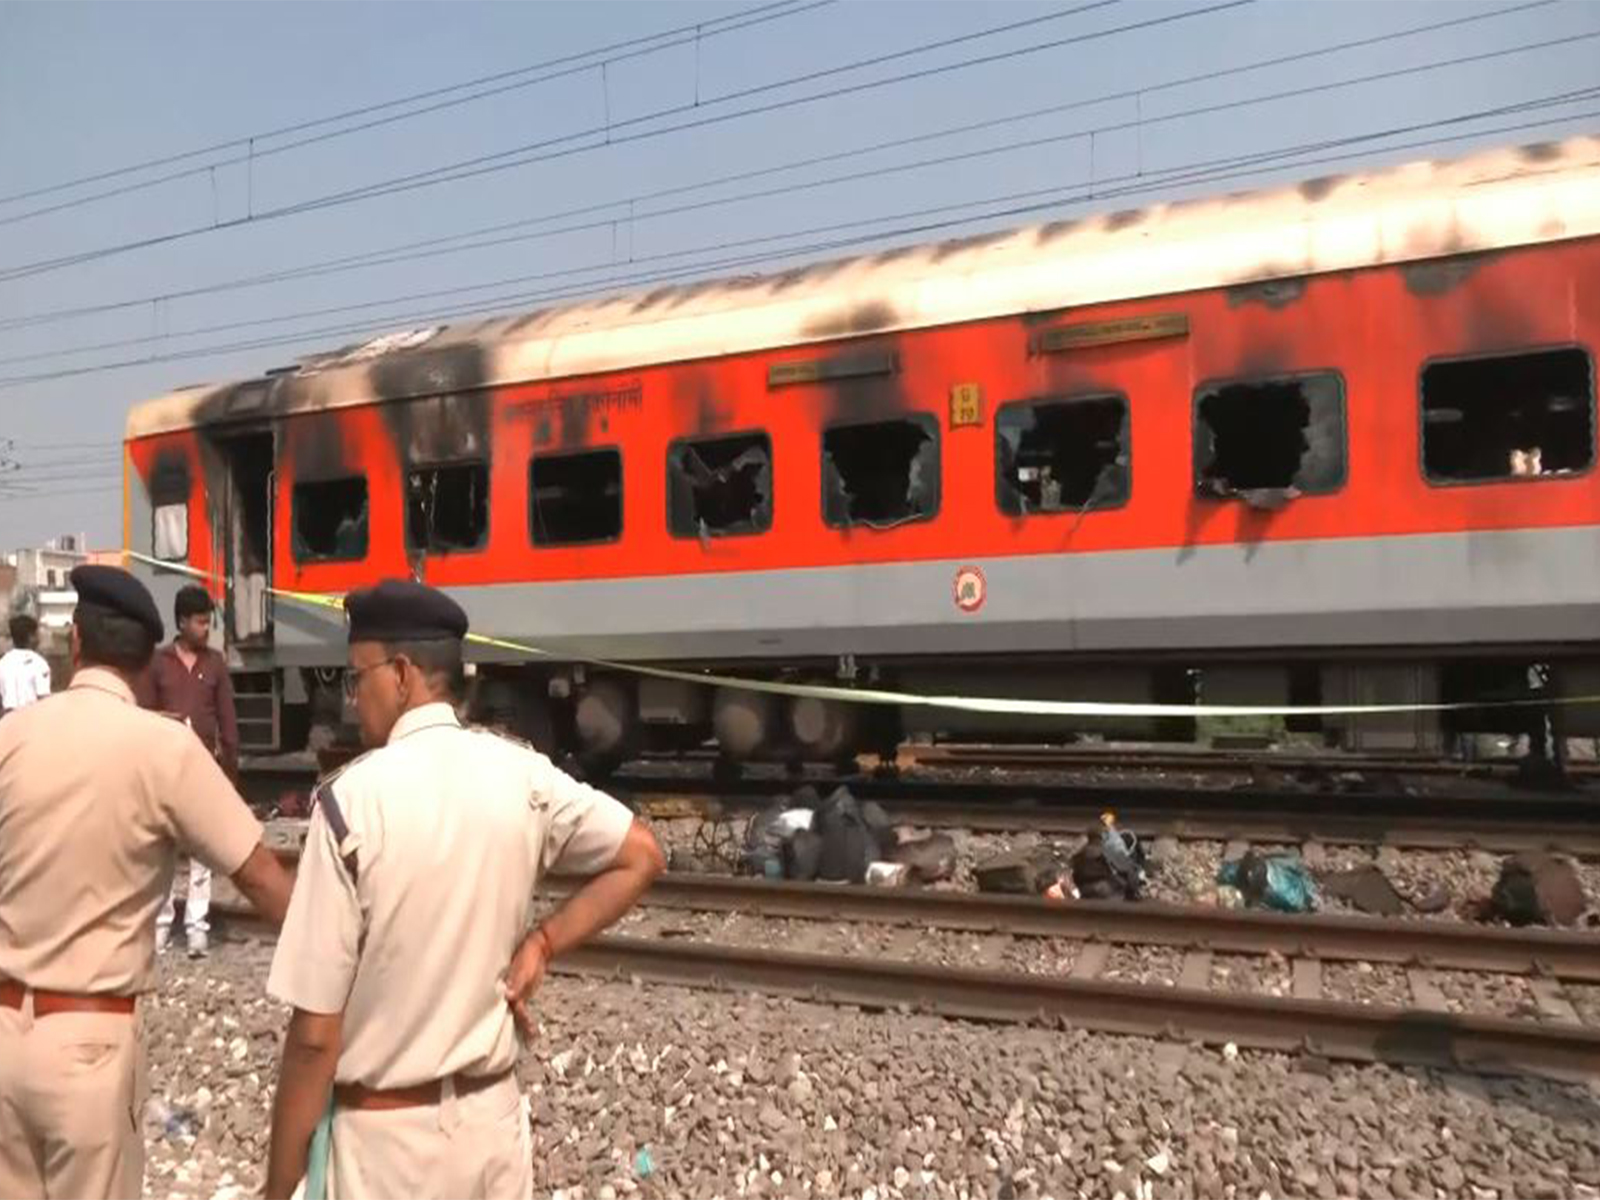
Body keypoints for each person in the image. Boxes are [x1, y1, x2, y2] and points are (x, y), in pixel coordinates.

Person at [263, 579, 665, 1200]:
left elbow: (315, 1038)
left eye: (355, 677)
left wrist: (279, 1183)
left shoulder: (349, 804)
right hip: (492, 1131)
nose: (352, 700)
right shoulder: (522, 773)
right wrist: (543, 943)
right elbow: (642, 855)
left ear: (400, 675)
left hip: (386, 1148)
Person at [0, 564, 295, 1200]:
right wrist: (346, 964)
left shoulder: (10, 737)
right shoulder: (165, 749)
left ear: (75, 643)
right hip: (90, 1046)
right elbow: (262, 878)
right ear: (145, 662)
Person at [142, 584, 240, 958]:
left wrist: (230, 767)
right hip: (164, 773)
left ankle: (197, 927)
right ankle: (161, 926)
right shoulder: (157, 663)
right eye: (201, 622)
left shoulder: (215, 663)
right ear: (182, 622)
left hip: (204, 771)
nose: (206, 628)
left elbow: (227, 720)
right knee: (162, 853)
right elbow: (144, 715)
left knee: (201, 855)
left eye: (208, 622)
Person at [0, 614, 50, 715]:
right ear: (31, 637)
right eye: (37, 634)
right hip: (30, 721)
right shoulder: (38, 663)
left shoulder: (3, 663)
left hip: (7, 722)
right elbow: (44, 699)